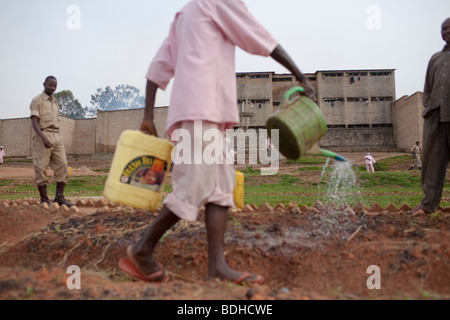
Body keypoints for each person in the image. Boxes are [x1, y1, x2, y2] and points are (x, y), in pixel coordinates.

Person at [117, 0, 316, 285]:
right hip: (201, 109)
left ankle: (217, 267)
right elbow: (262, 39)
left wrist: (149, 115)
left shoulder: (184, 14)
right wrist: (302, 78)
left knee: (220, 188)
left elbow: (157, 68)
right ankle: (142, 248)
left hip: (210, 115)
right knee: (194, 184)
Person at [412, 18, 450, 215]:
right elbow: (427, 87)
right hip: (435, 114)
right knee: (432, 161)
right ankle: (428, 205)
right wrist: (427, 105)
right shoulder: (435, 59)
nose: (447, 31)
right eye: (444, 29)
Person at [30, 76, 73, 207]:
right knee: (41, 167)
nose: (53, 88)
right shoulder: (37, 100)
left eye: (55, 86)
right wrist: (43, 137)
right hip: (43, 135)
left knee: (63, 165)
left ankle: (59, 198)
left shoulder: (55, 102)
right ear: (44, 84)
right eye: (50, 85)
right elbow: (34, 120)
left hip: (56, 136)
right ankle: (44, 199)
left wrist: (57, 137)